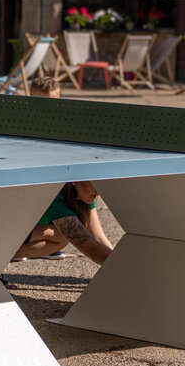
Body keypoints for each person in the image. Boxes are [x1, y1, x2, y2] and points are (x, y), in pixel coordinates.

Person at [11, 76, 115, 265]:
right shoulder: (22, 125)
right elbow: (92, 248)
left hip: (50, 191)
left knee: (61, 237)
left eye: (53, 103)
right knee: (61, 234)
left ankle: (1, 257)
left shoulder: (85, 188)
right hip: (25, 203)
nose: (48, 109)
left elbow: (99, 239)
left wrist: (121, 260)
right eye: (42, 103)